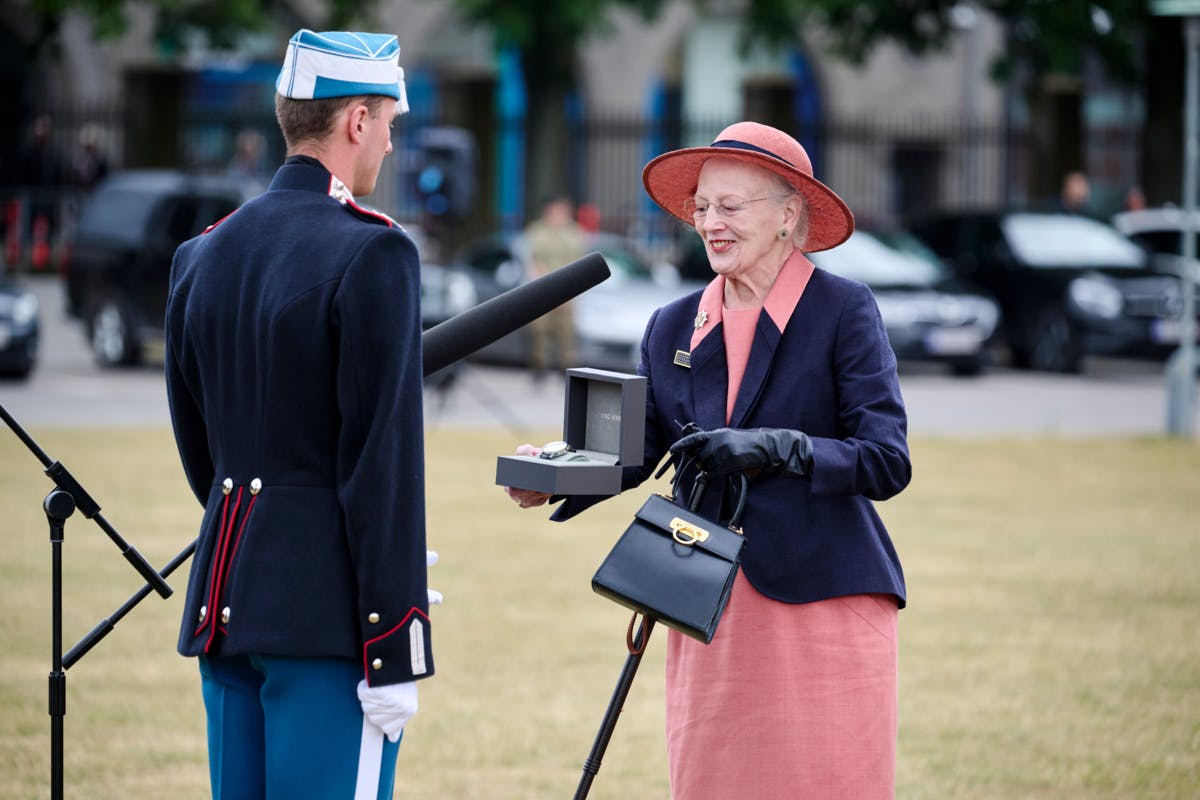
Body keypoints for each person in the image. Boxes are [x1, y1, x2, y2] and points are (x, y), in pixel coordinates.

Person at [505, 121, 911, 799]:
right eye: (702, 207)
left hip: (824, 607)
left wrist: (780, 448)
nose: (710, 223)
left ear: (788, 215)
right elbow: (639, 449)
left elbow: (885, 459)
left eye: (731, 206)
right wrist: (551, 472)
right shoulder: (672, 324)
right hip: (709, 609)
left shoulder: (843, 309)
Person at [164, 29, 434, 799]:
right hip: (326, 622)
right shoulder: (374, 252)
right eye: (386, 121)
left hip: (229, 601)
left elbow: (201, 452)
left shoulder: (205, 252)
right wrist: (394, 640)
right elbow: (381, 464)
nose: (387, 141)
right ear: (355, 120)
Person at [521, 194, 585, 375]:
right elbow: (532, 260)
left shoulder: (574, 232)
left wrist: (570, 291)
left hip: (567, 289)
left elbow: (579, 262)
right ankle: (539, 366)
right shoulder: (537, 231)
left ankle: (565, 368)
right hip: (543, 287)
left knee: (565, 331)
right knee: (539, 329)